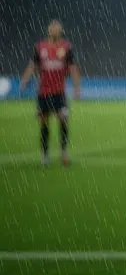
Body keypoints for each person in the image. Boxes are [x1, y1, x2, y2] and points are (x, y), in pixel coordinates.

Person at [19, 19, 81, 167]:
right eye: (52, 27)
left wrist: (77, 87)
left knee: (64, 120)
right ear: (48, 30)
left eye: (56, 27)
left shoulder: (66, 47)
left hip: (59, 93)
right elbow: (33, 65)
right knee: (44, 124)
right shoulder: (40, 47)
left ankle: (64, 153)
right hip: (44, 93)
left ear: (61, 30)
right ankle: (45, 156)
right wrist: (24, 80)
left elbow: (72, 67)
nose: (54, 29)